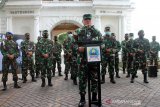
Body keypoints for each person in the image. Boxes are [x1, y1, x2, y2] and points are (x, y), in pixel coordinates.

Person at [74, 14, 102, 107]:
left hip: (94, 60)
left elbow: (103, 44)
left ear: (91, 21)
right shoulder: (78, 32)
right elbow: (72, 45)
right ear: (83, 21)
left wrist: (98, 47)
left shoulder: (97, 32)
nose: (87, 21)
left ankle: (94, 98)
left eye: (89, 20)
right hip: (82, 61)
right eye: (86, 20)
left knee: (95, 79)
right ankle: (82, 99)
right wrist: (78, 48)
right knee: (82, 80)